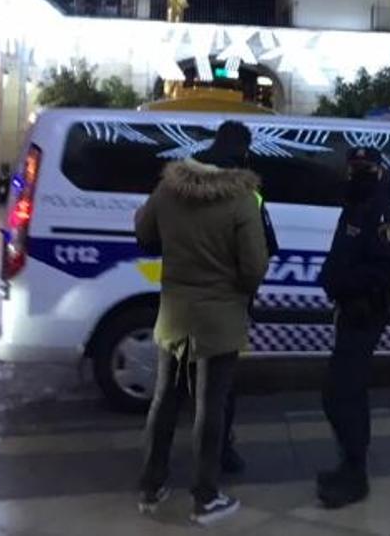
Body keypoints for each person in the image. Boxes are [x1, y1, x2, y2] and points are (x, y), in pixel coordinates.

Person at [134, 121, 269, 525]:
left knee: (164, 399)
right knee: (210, 407)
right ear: (242, 153)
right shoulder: (242, 199)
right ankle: (205, 497)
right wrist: (235, 286)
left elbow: (143, 233)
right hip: (220, 317)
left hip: (173, 312)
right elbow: (255, 267)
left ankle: (152, 485)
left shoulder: (169, 188)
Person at [317, 147, 390, 509]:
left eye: (365, 168)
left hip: (366, 310)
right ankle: (349, 463)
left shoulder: (382, 210)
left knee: (343, 391)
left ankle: (355, 472)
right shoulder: (354, 205)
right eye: (354, 168)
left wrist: (345, 284)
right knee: (341, 391)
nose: (357, 174)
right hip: (350, 309)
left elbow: (387, 268)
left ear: (379, 172)